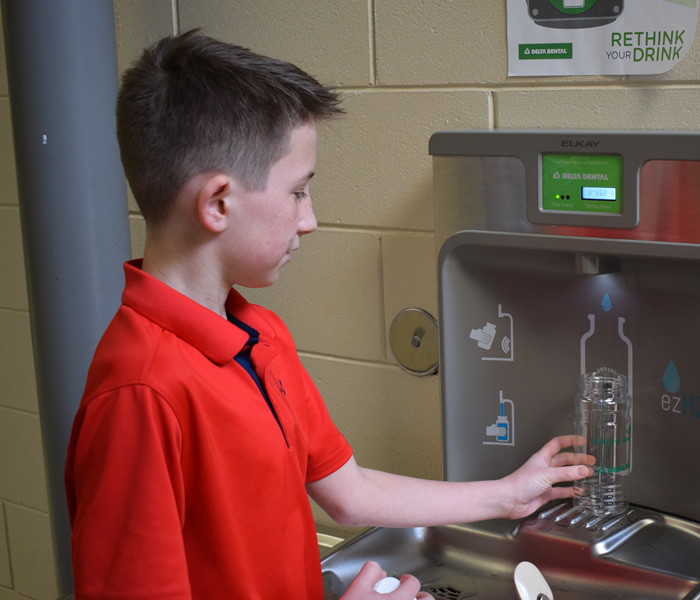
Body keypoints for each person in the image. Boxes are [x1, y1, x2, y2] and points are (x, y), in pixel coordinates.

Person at [64, 30, 592, 600]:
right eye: (298, 192)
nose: (309, 219)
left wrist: (508, 495)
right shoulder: (140, 394)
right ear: (217, 203)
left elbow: (349, 491)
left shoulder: (259, 336)